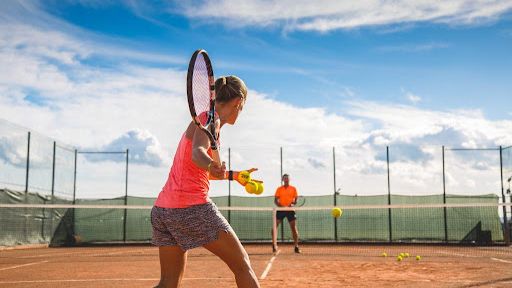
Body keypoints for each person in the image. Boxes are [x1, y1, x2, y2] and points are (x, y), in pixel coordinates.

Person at [151, 76, 260, 288]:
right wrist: (210, 164)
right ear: (238, 101)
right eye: (243, 107)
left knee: (169, 282)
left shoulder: (203, 120)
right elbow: (198, 153)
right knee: (243, 266)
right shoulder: (211, 119)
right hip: (191, 207)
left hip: (163, 210)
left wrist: (232, 175)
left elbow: (196, 167)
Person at [272, 173, 301, 254]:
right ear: (282, 180)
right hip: (280, 210)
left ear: (289, 179)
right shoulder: (279, 189)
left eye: (287, 178)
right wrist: (280, 207)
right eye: (284, 178)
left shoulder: (293, 189)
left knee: (293, 228)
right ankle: (274, 245)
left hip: (290, 210)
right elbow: (275, 200)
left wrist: (292, 204)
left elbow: (295, 200)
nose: (286, 180)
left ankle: (296, 246)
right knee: (274, 228)